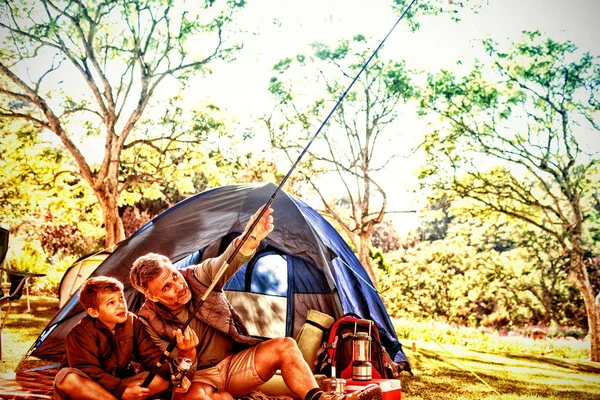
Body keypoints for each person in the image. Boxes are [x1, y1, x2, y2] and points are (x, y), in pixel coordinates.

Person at [129, 205, 383, 400]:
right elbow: (171, 375)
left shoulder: (197, 276)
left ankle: (320, 398)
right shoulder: (147, 320)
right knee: (194, 397)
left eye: (174, 275)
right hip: (200, 378)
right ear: (151, 295)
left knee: (285, 345)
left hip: (234, 363)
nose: (178, 285)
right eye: (167, 287)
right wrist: (186, 354)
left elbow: (228, 260)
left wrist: (251, 238)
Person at [54, 276, 192, 400]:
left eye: (121, 298)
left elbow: (151, 355)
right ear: (94, 312)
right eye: (111, 303)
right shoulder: (79, 333)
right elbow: (89, 371)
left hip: (119, 381)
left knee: (161, 380)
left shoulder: (132, 322)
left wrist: (175, 375)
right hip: (90, 386)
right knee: (67, 378)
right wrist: (122, 391)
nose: (121, 305)